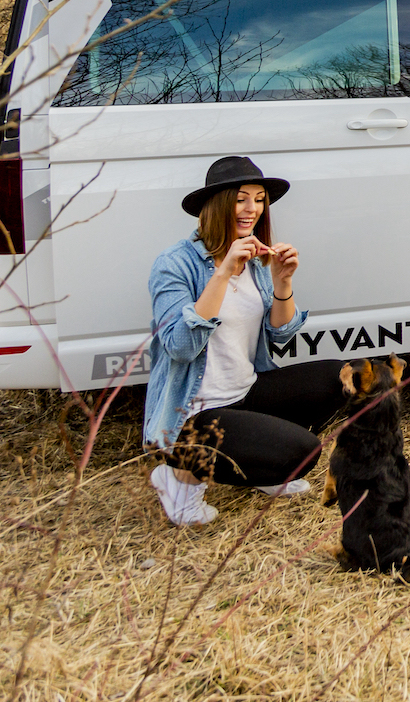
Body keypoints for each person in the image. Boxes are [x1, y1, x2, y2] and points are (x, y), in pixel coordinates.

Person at [144, 156, 347, 527]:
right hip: (193, 413)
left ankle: (260, 466)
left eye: (259, 199)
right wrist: (222, 274)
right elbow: (180, 346)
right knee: (300, 453)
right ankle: (178, 482)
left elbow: (280, 334)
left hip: (245, 391)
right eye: (240, 198)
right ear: (217, 204)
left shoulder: (254, 260)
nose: (252, 209)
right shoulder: (174, 264)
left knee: (342, 378)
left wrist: (283, 282)